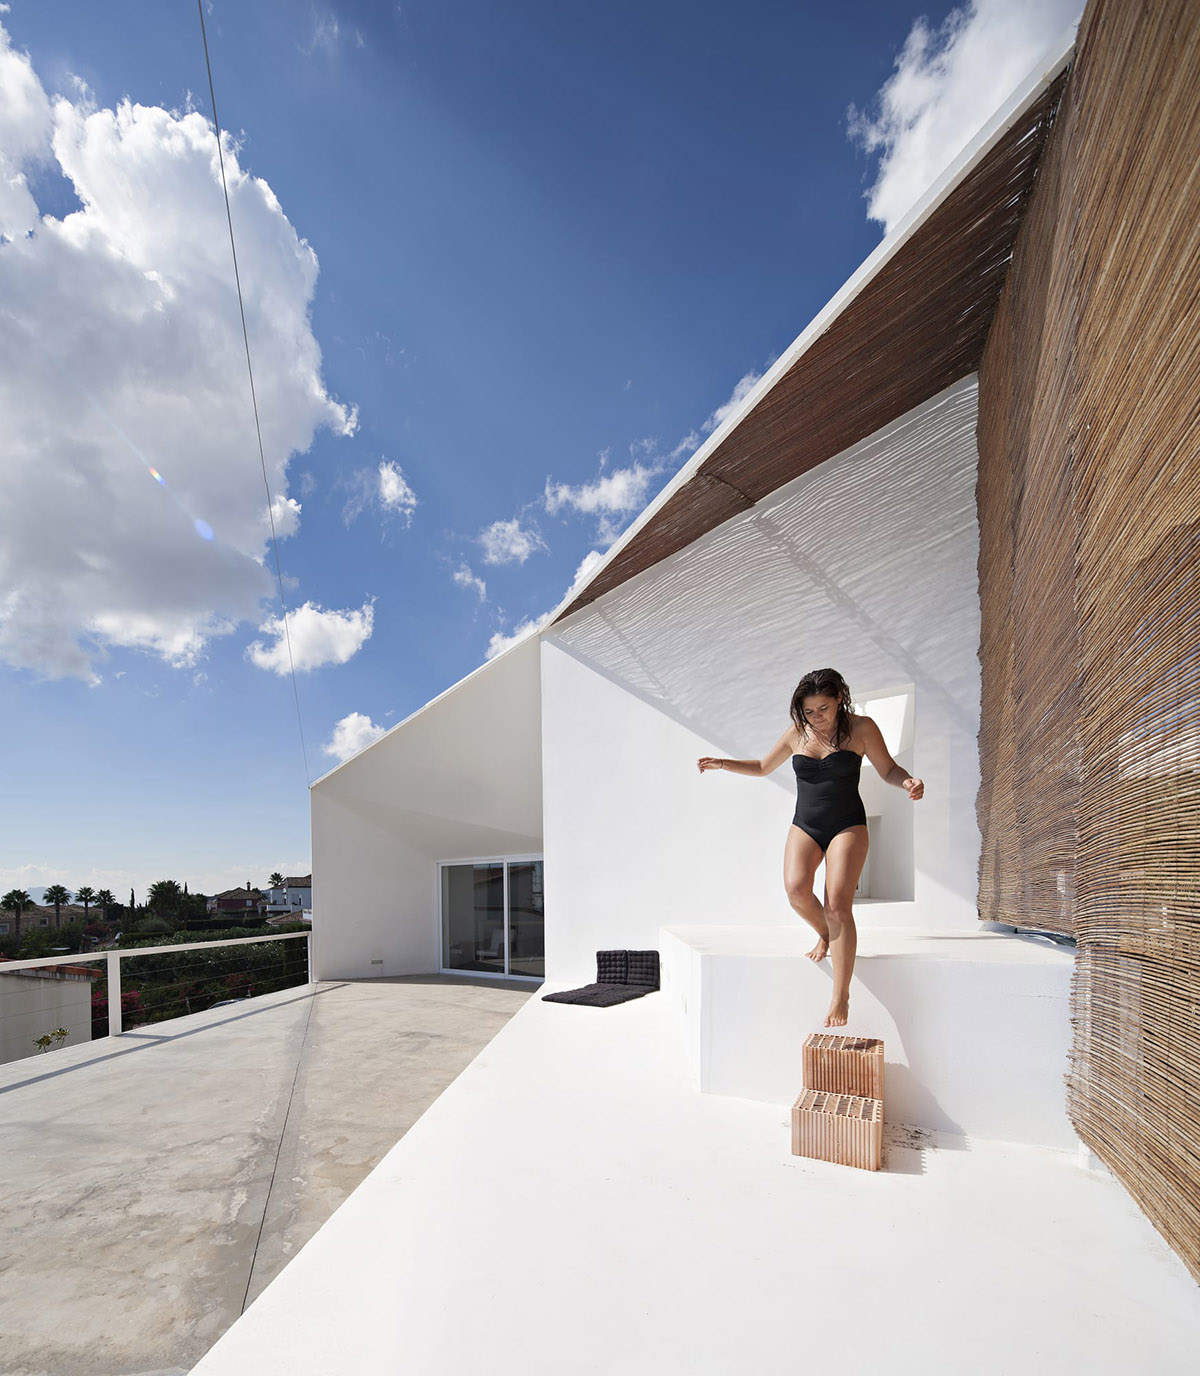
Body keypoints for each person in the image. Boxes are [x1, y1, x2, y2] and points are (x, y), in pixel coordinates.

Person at [697, 668, 923, 1029]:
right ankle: (824, 934)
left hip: (847, 824)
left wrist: (907, 780)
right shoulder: (797, 734)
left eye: (824, 708)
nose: (817, 717)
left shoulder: (861, 728)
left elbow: (888, 769)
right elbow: (761, 766)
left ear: (839, 700)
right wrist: (722, 763)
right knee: (797, 890)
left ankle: (841, 994)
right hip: (806, 824)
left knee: (837, 904)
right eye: (810, 711)